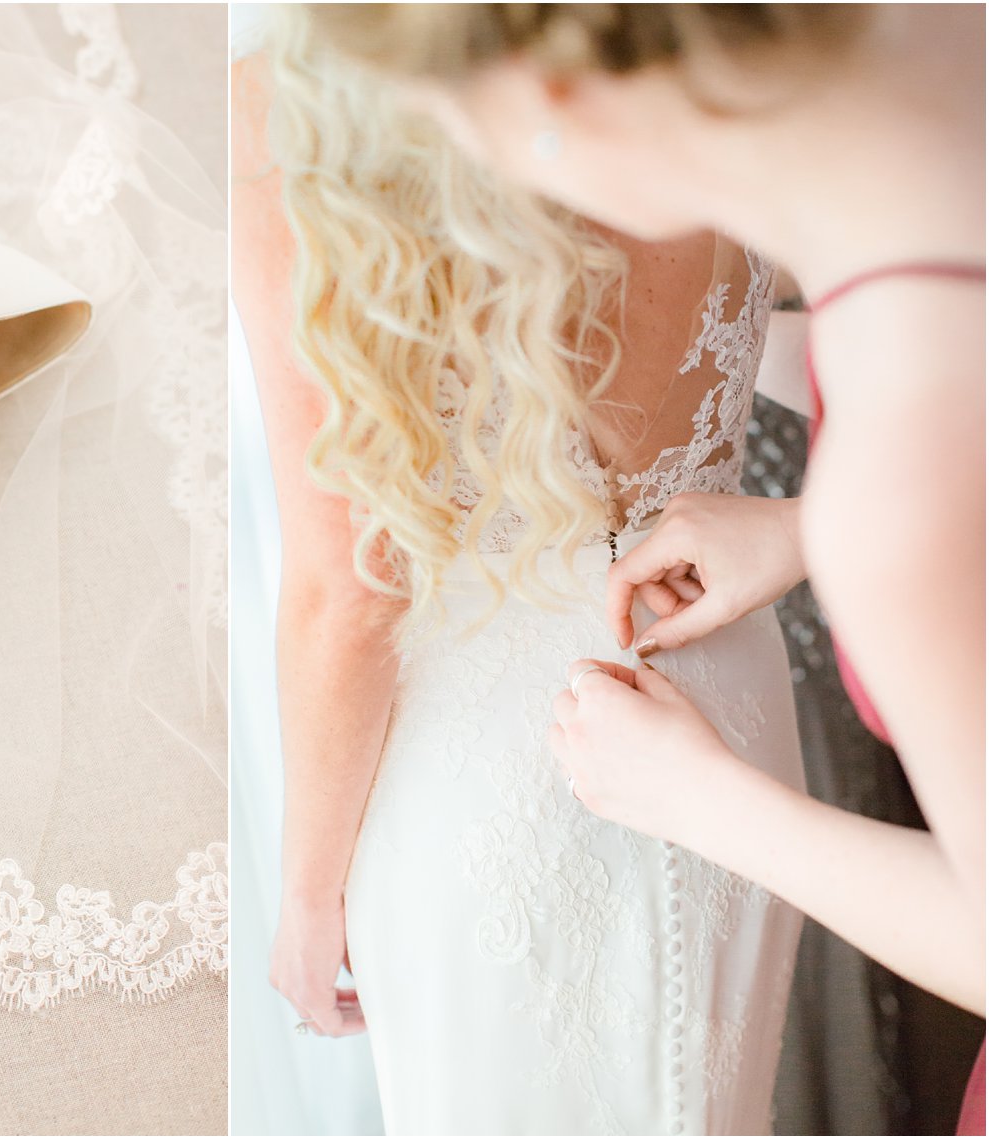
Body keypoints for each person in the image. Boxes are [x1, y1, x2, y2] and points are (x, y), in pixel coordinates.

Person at [308, 3, 987, 1130]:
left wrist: (703, 799)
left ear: (560, 104)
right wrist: (795, 529)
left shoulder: (896, 502)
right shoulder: (949, 52)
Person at [235, 8, 815, 1132]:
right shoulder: (718, 47)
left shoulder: (294, 101)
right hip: (722, 692)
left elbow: (348, 588)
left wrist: (304, 895)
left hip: (492, 762)